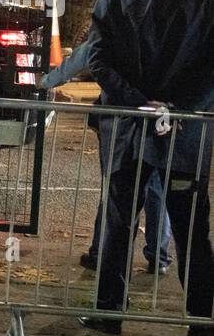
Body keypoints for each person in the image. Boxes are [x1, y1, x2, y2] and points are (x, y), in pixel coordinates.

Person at [83, 0, 214, 336]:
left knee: (119, 222)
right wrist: (176, 108)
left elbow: (100, 63)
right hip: (186, 135)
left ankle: (108, 313)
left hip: (128, 131)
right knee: (192, 229)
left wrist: (139, 102)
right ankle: (200, 321)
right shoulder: (206, 2)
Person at [42, 44, 172, 275]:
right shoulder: (166, 22)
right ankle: (158, 256)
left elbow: (86, 55)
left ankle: (102, 253)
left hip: (120, 118)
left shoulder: (117, 19)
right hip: (160, 115)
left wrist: (46, 82)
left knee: (116, 188)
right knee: (155, 187)